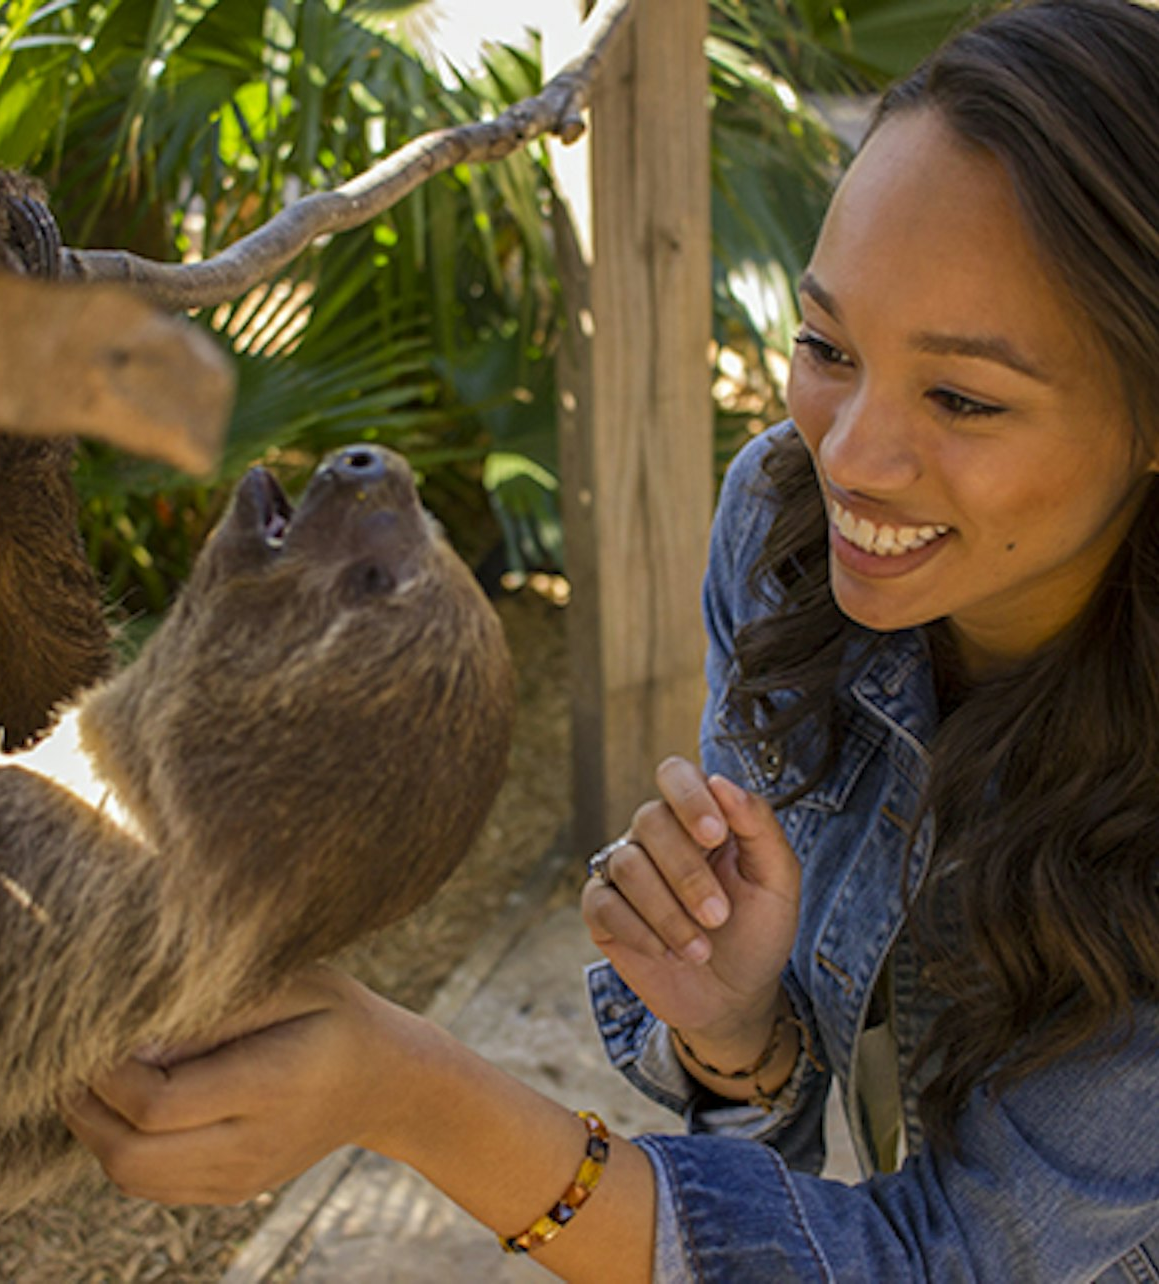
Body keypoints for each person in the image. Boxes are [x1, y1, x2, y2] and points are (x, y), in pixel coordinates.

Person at [64, 0, 1159, 1278]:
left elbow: (948, 1261)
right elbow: (785, 1136)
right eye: (826, 345)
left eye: (964, 397)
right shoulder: (787, 529)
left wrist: (410, 1092)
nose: (849, 455)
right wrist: (739, 1030)